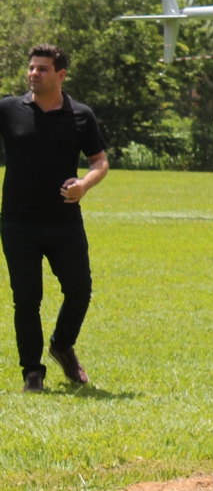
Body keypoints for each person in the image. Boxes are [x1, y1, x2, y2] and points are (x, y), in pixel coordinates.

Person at [0, 45, 108, 393]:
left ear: (61, 74)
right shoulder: (8, 109)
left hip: (64, 221)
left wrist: (84, 185)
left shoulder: (81, 115)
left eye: (43, 69)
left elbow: (99, 161)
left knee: (79, 290)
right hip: (17, 222)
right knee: (26, 298)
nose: (34, 73)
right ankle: (32, 372)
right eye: (32, 67)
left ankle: (62, 345)